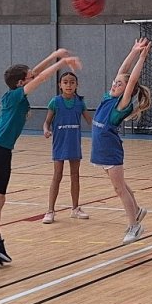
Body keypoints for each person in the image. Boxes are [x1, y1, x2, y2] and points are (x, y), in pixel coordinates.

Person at [0, 48, 82, 268]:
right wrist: (61, 63)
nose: (32, 76)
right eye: (28, 77)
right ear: (20, 83)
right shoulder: (15, 96)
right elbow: (41, 78)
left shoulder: (15, 92)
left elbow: (35, 73)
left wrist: (56, 55)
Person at [91, 37, 152, 245]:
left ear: (127, 90)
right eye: (115, 82)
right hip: (100, 149)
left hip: (110, 150)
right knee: (121, 185)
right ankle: (137, 210)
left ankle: (135, 226)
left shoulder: (121, 104)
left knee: (119, 189)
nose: (115, 84)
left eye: (120, 84)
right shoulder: (108, 96)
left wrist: (141, 58)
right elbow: (123, 71)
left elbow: (131, 79)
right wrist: (133, 51)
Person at [42, 72, 94, 224]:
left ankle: (75, 208)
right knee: (57, 175)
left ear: (76, 85)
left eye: (72, 82)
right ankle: (50, 211)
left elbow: (91, 121)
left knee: (75, 175)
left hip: (74, 143)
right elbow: (46, 122)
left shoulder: (80, 103)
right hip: (59, 143)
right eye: (65, 82)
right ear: (60, 85)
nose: (69, 85)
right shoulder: (55, 102)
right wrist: (46, 130)